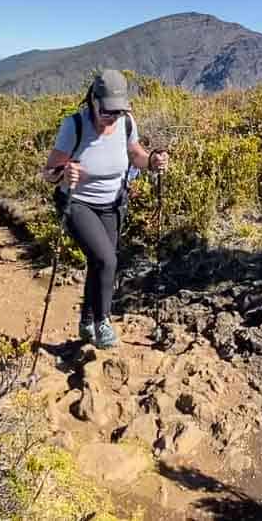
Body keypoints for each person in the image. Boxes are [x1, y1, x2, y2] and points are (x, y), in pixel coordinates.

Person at [42, 70, 169, 348]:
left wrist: (152, 162)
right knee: (107, 260)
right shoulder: (74, 126)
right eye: (107, 111)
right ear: (93, 101)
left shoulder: (126, 123)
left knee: (99, 264)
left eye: (117, 111)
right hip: (77, 203)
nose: (111, 117)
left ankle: (87, 321)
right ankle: (103, 322)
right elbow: (49, 171)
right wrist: (63, 174)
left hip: (113, 204)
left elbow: (135, 154)